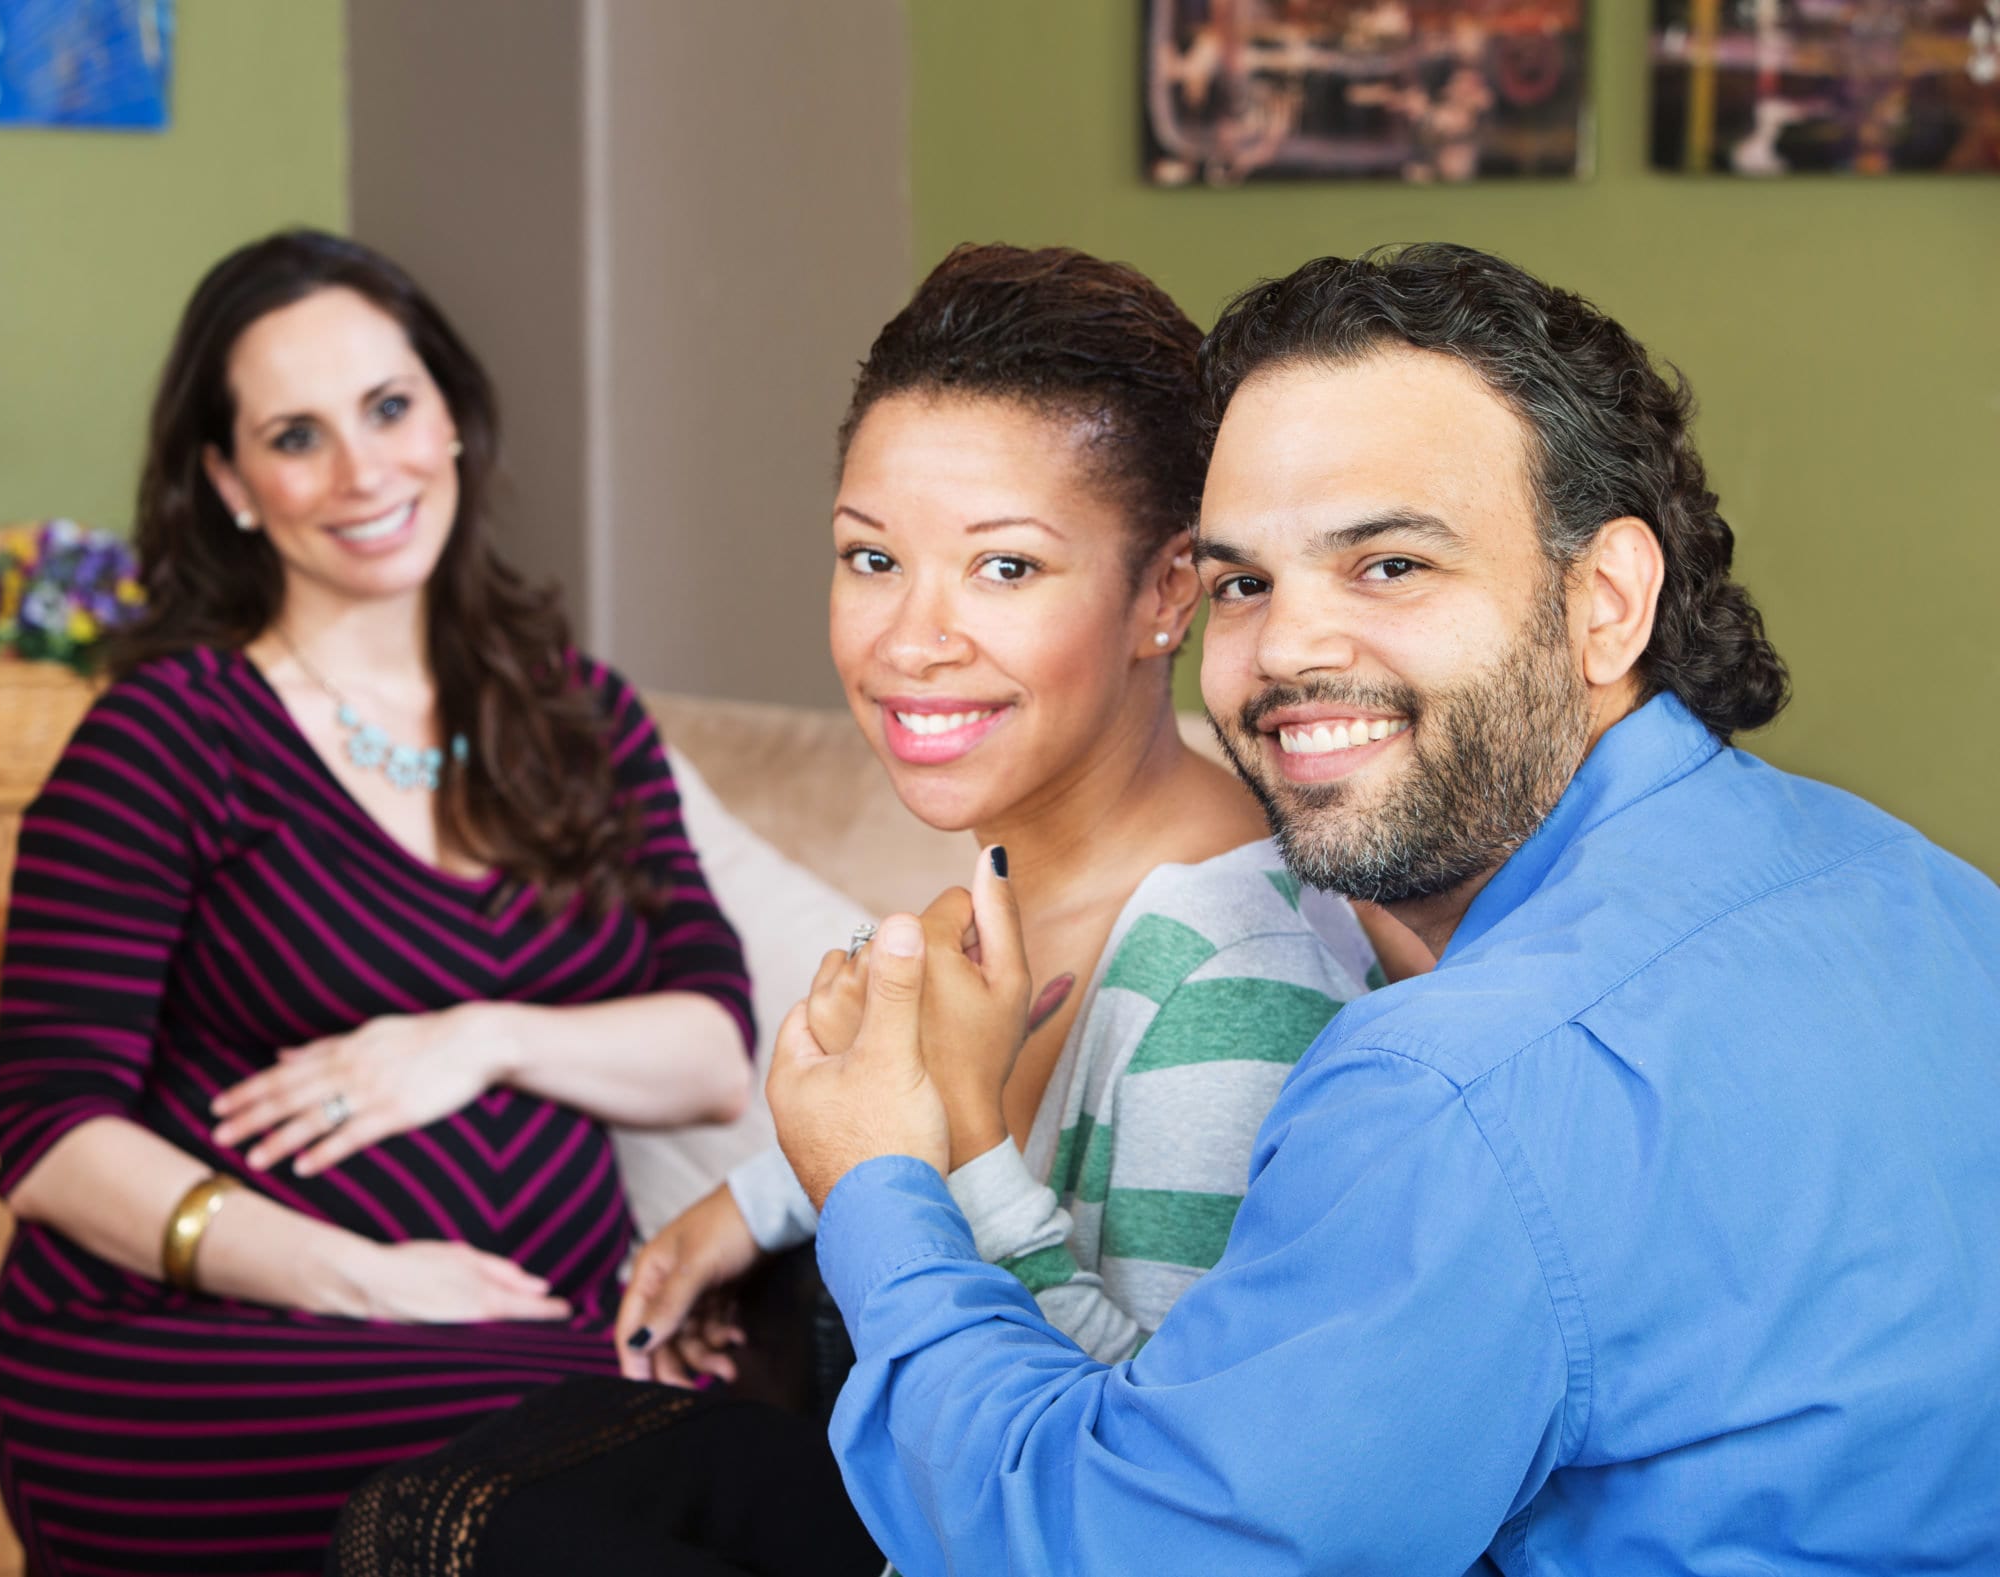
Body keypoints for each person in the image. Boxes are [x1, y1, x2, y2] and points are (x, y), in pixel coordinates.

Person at [769, 243, 2000, 1575]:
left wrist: (884, 1185)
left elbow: (1109, 1547)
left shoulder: (1449, 1085)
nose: (1290, 647)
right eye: (1249, 581)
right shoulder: (1918, 885)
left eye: (1390, 565)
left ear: (1608, 600)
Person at [329, 243, 1421, 1576]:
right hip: (941, 1515)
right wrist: (754, 1202)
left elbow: (1166, 1496)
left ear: (1168, 592)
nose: (911, 638)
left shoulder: (1231, 976)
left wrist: (946, 1146)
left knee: (458, 1545)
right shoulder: (1011, 869)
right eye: (870, 557)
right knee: (474, 1485)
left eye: (1005, 569)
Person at [0, 230, 754, 1576]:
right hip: (202, 1349)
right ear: (230, 481)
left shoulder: (579, 717)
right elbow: (54, 1140)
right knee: (699, 1460)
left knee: (762, 1478)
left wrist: (484, 1032)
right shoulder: (168, 734)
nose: (362, 471)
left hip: (525, 1341)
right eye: (297, 435)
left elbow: (708, 1050)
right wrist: (369, 1277)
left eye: (390, 407)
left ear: (449, 415)